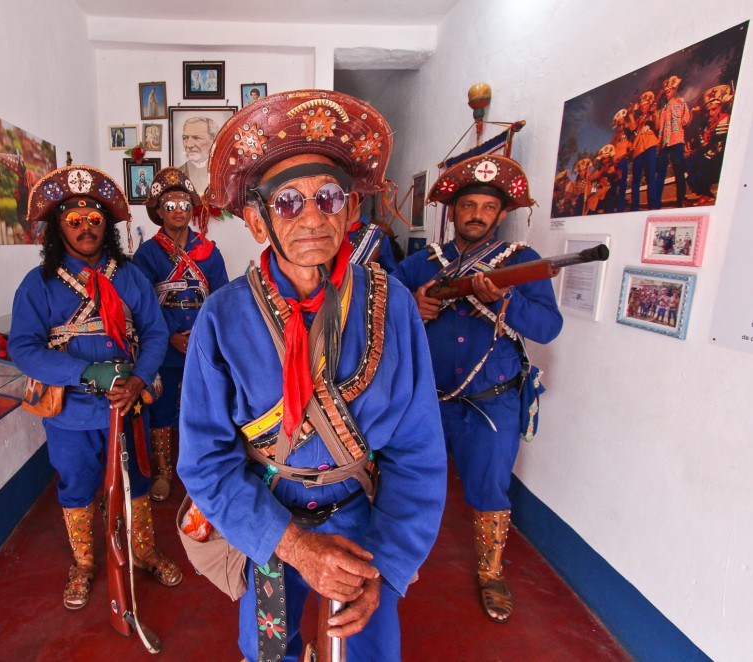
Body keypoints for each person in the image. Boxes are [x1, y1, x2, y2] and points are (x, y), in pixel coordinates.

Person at [179, 89, 447, 661]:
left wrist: (390, 564)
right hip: (268, 522)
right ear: (255, 222)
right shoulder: (222, 318)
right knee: (269, 651)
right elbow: (204, 462)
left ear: (352, 209)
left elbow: (418, 452)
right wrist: (294, 546)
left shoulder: (392, 306)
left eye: (329, 198)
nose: (312, 218)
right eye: (287, 203)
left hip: (364, 525)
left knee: (366, 652)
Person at [393, 154, 563, 624]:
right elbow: (375, 308)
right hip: (425, 403)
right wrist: (414, 303)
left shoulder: (523, 263)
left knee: (490, 489)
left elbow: (548, 327)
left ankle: (490, 573)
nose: (476, 214)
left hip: (492, 401)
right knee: (406, 483)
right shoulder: (423, 263)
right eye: (468, 205)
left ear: (500, 214)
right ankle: (396, 563)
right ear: (454, 211)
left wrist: (504, 299)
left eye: (487, 207)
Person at [8, 165, 182, 612]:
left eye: (95, 220)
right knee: (77, 484)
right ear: (57, 227)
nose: (86, 228)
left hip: (128, 407)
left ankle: (143, 552)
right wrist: (85, 374)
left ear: (107, 226)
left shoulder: (129, 277)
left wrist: (139, 379)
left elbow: (156, 333)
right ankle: (85, 563)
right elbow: (24, 349)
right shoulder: (38, 284)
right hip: (71, 414)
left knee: (138, 481)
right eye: (74, 220)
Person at [133, 167, 229, 501]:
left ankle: (201, 473)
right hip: (164, 347)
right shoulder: (146, 255)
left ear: (192, 209)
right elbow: (143, 303)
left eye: (184, 203)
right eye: (170, 204)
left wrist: (201, 337)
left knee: (203, 409)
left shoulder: (209, 252)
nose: (178, 210)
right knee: (161, 410)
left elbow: (220, 299)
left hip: (201, 347)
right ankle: (162, 472)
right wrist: (172, 334)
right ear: (158, 211)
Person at [686, 84, 731, 206]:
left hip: (723, 159)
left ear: (720, 107)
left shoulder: (726, 120)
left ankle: (707, 194)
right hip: (710, 157)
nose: (710, 114)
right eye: (707, 111)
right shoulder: (704, 125)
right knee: (690, 162)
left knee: (701, 162)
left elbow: (713, 145)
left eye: (714, 109)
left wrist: (697, 151)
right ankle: (706, 193)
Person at [654, 75, 691, 209]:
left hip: (676, 140)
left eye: (670, 90)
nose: (668, 92)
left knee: (678, 170)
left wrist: (682, 121)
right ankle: (656, 202)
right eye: (666, 91)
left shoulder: (680, 102)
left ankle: (681, 199)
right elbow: (658, 127)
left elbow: (686, 119)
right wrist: (655, 114)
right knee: (661, 172)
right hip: (663, 143)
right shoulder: (661, 109)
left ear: (674, 90)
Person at [628, 90, 659, 211]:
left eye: (645, 104)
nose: (643, 107)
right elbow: (633, 130)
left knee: (651, 176)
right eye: (641, 105)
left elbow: (657, 126)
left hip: (650, 145)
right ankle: (634, 207)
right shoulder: (639, 119)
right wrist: (631, 115)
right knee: (636, 179)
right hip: (638, 150)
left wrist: (655, 113)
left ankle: (654, 205)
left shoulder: (652, 114)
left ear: (649, 105)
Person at [178, 116, 218, 193]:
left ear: (214, 140)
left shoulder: (225, 174)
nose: (189, 145)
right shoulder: (177, 174)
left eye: (196, 138)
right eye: (185, 138)